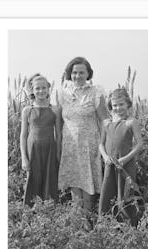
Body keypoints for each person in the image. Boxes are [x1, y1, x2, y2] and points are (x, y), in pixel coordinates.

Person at [57, 57, 108, 211]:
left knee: (89, 184)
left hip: (90, 145)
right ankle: (78, 222)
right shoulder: (61, 94)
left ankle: (89, 220)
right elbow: (59, 122)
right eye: (74, 73)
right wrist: (59, 146)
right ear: (69, 74)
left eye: (81, 72)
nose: (77, 76)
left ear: (88, 74)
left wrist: (103, 144)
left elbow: (104, 120)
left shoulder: (95, 92)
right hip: (70, 145)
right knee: (74, 182)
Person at [98, 88, 143, 221]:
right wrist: (105, 157)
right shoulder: (106, 123)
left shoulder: (131, 122)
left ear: (128, 104)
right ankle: (106, 222)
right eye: (115, 105)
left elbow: (140, 144)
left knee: (125, 192)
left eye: (121, 104)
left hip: (126, 165)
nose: (118, 108)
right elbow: (101, 144)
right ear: (111, 106)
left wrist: (125, 158)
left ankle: (128, 223)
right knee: (108, 190)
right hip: (110, 165)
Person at [20, 74, 61, 206]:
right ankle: (32, 213)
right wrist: (24, 158)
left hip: (50, 150)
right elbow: (23, 135)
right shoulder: (27, 110)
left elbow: (59, 134)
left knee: (50, 180)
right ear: (32, 90)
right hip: (33, 151)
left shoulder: (55, 110)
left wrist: (59, 154)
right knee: (34, 180)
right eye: (37, 88)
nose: (41, 91)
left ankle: (49, 211)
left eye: (44, 88)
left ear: (49, 88)